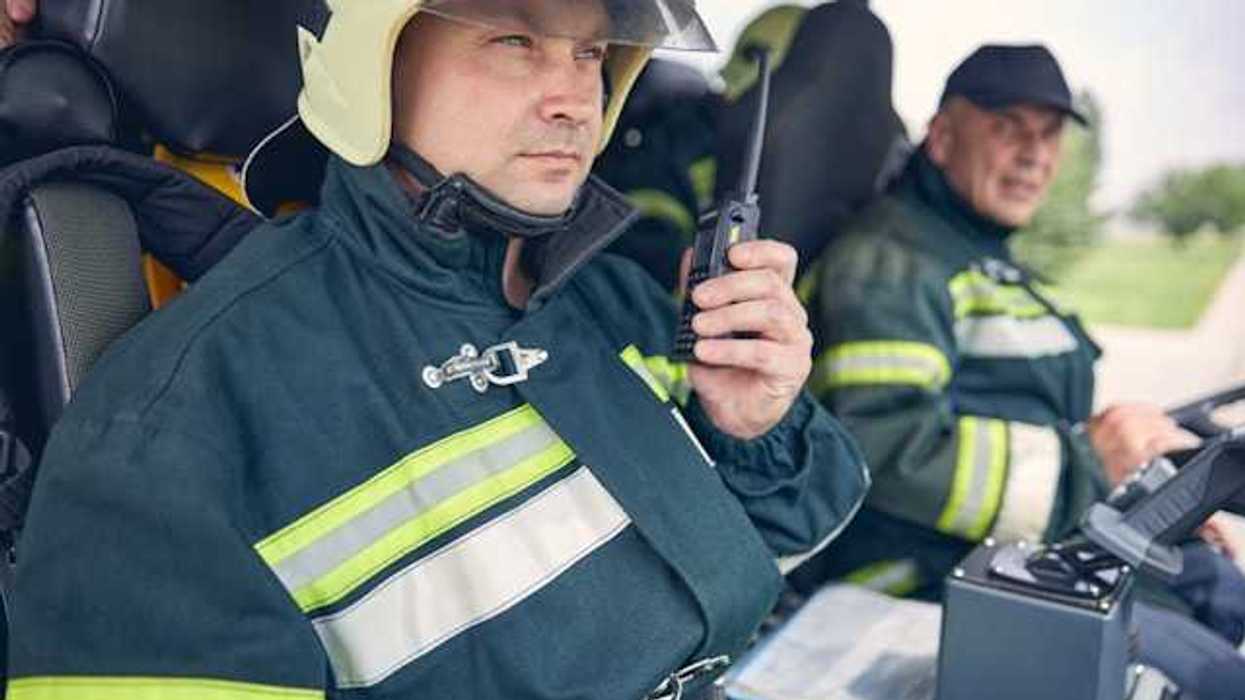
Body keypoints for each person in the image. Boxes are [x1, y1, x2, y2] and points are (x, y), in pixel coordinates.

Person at [7, 2, 869, 699]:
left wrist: (752, 426)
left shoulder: (613, 301)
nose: (575, 98)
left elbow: (765, 568)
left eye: (589, 53)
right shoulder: (165, 431)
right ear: (373, 70)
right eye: (512, 41)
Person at [790, 43, 1245, 696]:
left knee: (1223, 594)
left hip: (1024, 544)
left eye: (1049, 133)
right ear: (942, 137)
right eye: (1006, 129)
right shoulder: (891, 262)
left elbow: (1034, 419)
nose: (1034, 155)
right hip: (919, 569)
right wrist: (1088, 465)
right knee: (1215, 675)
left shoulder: (978, 257)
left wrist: (1153, 502)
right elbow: (878, 448)